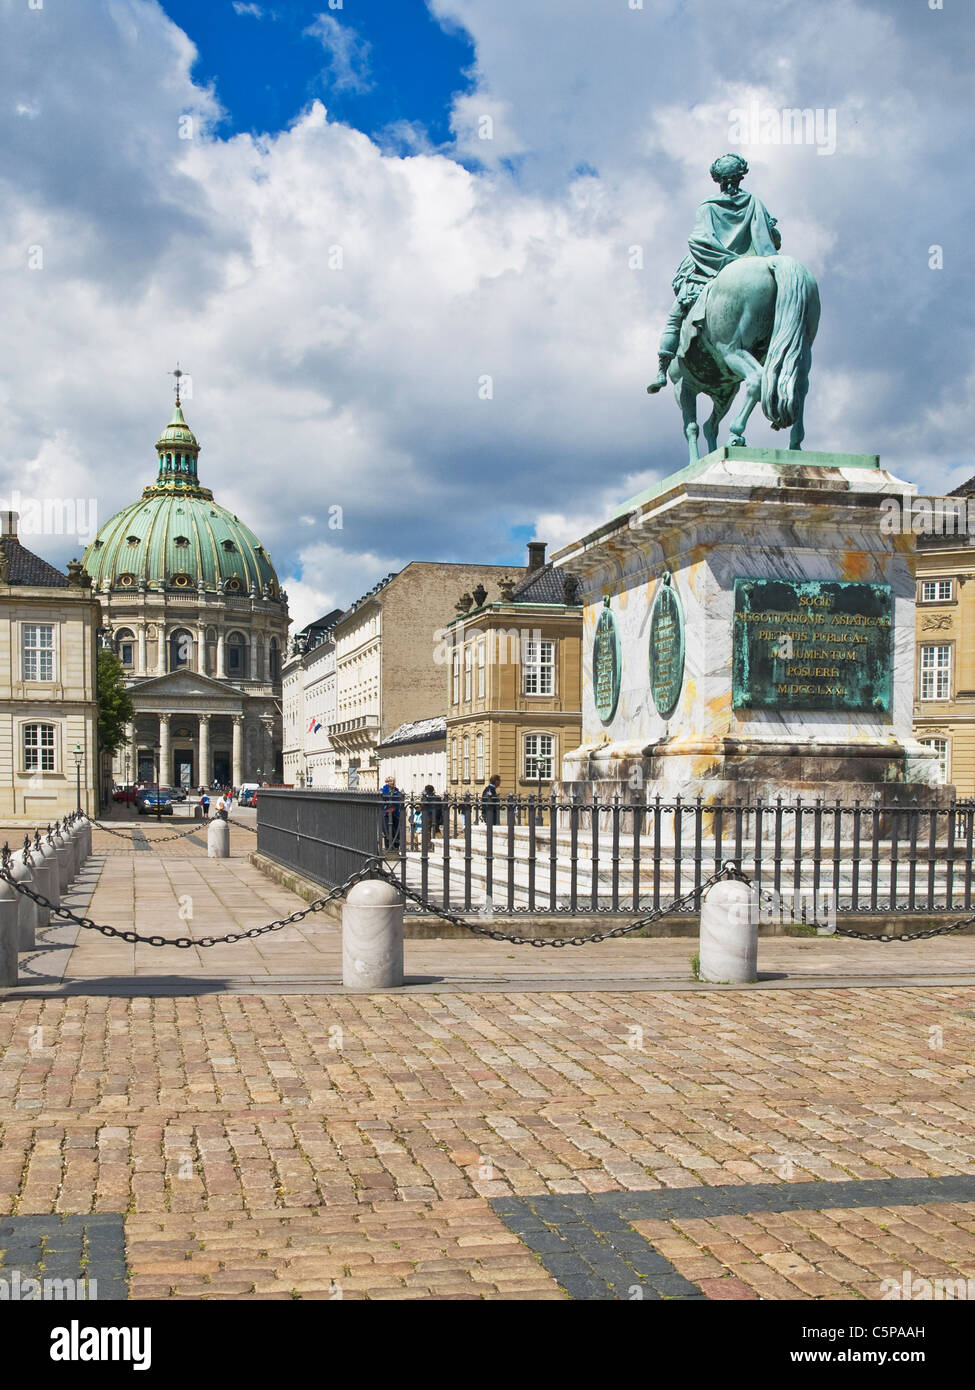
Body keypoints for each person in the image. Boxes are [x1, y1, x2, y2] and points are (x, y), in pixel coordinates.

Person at [647, 153, 781, 393]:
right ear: (740, 176)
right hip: (756, 266)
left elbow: (700, 241)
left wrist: (728, 262)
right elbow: (769, 241)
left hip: (710, 270)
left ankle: (661, 370)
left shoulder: (708, 206)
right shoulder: (754, 202)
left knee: (674, 319)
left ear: (717, 179)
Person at [380, 776, 402, 850]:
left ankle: (396, 847)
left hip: (395, 813)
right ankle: (388, 847)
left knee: (396, 831)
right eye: (390, 781)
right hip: (386, 814)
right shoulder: (383, 790)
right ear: (387, 782)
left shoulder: (396, 791)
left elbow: (398, 800)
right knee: (387, 831)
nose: (392, 783)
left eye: (393, 781)